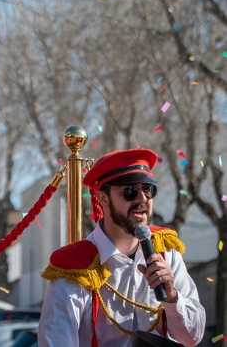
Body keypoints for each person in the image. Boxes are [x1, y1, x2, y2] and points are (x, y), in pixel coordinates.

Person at [38, 148, 205, 347]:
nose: (142, 199)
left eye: (148, 189)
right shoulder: (74, 269)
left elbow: (192, 338)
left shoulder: (167, 252)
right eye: (130, 192)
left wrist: (172, 298)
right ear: (103, 198)